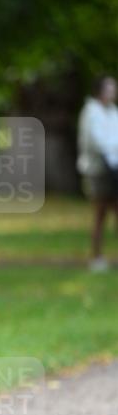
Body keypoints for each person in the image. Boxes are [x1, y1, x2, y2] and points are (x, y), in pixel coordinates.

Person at [76, 76, 118, 272]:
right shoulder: (91, 112)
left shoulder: (112, 112)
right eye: (110, 89)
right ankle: (97, 257)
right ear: (100, 91)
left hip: (113, 167)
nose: (113, 92)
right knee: (101, 213)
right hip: (99, 171)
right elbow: (96, 141)